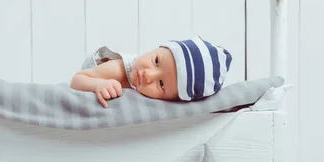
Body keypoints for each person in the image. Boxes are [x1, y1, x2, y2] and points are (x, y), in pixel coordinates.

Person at [70, 36, 233, 108]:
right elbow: (76, 80)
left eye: (161, 84)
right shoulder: (119, 69)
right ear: (158, 48)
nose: (148, 75)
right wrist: (99, 85)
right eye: (156, 61)